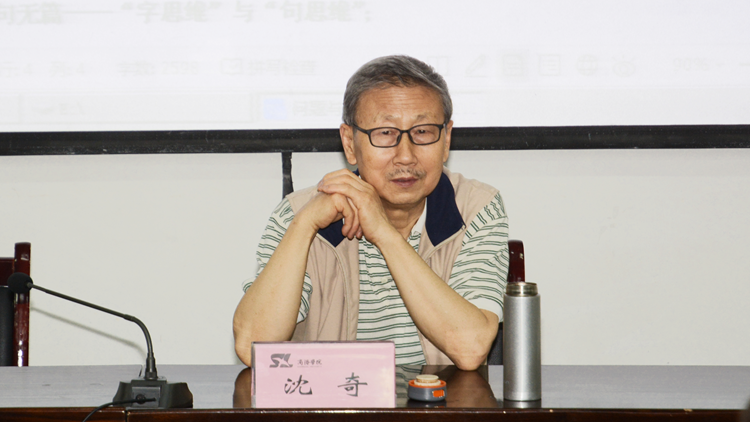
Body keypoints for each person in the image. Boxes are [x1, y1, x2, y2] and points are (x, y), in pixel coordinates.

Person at [233, 55, 508, 371]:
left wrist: (384, 233)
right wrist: (305, 225)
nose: (405, 156)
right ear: (350, 144)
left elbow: (470, 348)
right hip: (334, 401)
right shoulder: (300, 214)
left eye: (422, 131)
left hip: (439, 402)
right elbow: (253, 346)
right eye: (385, 133)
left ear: (446, 140)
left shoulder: (476, 210)